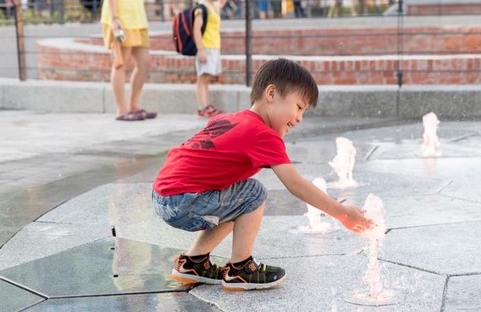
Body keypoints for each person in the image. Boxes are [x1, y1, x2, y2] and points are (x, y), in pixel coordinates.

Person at [152, 58, 373, 291]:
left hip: (163, 196)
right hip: (184, 200)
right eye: (298, 107)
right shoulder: (262, 134)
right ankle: (241, 269)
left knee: (238, 197)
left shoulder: (230, 119)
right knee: (252, 193)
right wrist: (342, 213)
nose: (299, 118)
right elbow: (295, 184)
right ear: (271, 94)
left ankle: (194, 262)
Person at [100, 0, 156, 121]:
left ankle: (133, 106)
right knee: (120, 63)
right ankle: (121, 110)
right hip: (121, 18)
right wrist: (114, 19)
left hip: (138, 18)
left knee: (144, 62)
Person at [193, 0, 237, 117]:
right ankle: (202, 107)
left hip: (213, 47)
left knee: (206, 77)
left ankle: (205, 105)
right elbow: (196, 29)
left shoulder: (212, 5)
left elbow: (222, 2)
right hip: (205, 47)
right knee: (202, 77)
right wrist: (200, 50)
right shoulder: (202, 7)